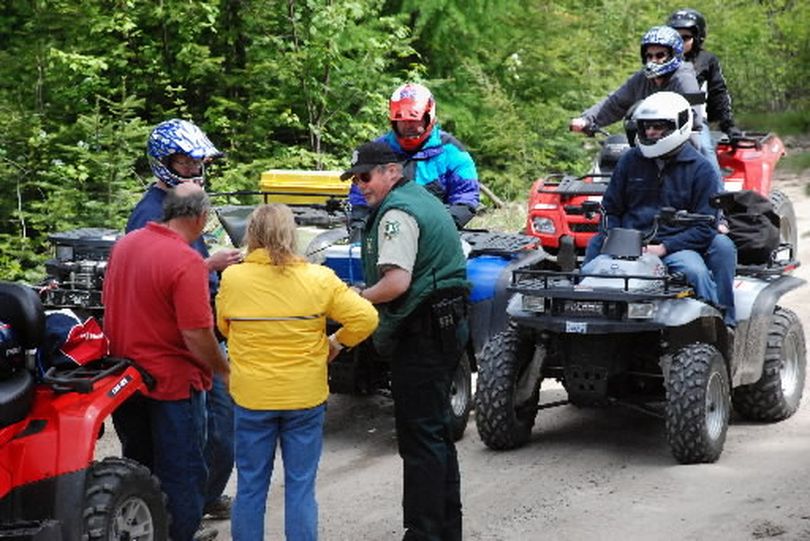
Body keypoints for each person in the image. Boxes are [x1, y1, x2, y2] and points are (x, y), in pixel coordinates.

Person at [215, 204, 377, 541]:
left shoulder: (233, 278)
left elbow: (225, 327)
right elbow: (366, 318)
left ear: (252, 234)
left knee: (250, 487)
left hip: (252, 397)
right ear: (292, 235)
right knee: (301, 487)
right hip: (304, 396)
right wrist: (335, 343)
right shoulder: (319, 279)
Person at [342, 140, 470, 540]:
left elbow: (396, 283)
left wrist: (356, 297)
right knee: (437, 436)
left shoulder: (396, 213)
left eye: (366, 176)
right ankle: (447, 530)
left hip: (423, 332)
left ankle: (424, 533)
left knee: (420, 441)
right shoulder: (422, 198)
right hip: (447, 325)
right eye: (356, 178)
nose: (361, 185)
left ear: (392, 172)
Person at [122, 119, 241, 524]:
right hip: (175, 350)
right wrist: (219, 367)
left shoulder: (182, 204)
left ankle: (196, 500)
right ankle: (183, 514)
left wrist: (208, 264)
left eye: (198, 161)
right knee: (195, 441)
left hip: (175, 343)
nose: (195, 169)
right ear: (165, 162)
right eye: (187, 162)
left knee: (209, 435)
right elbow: (161, 279)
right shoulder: (150, 215)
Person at [103, 183, 231, 541]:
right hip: (172, 384)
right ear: (201, 218)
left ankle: (150, 531)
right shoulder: (186, 260)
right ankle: (181, 535)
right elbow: (195, 334)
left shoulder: (126, 245)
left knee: (140, 468)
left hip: (125, 379)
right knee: (183, 472)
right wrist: (221, 369)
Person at [582, 92, 736, 326]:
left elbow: (706, 225)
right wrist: (612, 236)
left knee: (695, 271)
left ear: (679, 126)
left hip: (675, 245)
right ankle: (581, 320)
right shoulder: (629, 161)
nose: (650, 132)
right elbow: (610, 208)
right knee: (589, 271)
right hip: (627, 243)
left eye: (658, 127)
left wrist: (664, 248)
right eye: (645, 127)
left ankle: (716, 325)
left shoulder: (701, 169)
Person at [347, 82, 480, 233]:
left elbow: (466, 199)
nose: (408, 125)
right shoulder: (374, 153)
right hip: (383, 232)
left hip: (436, 232)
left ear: (429, 117)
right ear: (393, 121)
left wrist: (436, 228)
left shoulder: (453, 152)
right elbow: (360, 199)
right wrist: (360, 229)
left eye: (414, 119)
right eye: (402, 120)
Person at [570, 26, 704, 139]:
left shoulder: (685, 78)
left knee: (703, 151)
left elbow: (695, 118)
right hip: (647, 142)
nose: (653, 60)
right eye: (649, 56)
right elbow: (615, 102)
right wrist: (587, 119)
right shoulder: (642, 78)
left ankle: (711, 170)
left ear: (674, 54)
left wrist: (663, 126)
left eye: (659, 55)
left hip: (680, 144)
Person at [667, 8, 741, 179]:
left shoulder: (706, 60)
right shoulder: (659, 58)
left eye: (685, 37)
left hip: (693, 121)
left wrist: (727, 125)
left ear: (697, 38)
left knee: (704, 148)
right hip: (658, 121)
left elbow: (718, 93)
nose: (679, 42)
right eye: (675, 37)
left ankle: (716, 197)